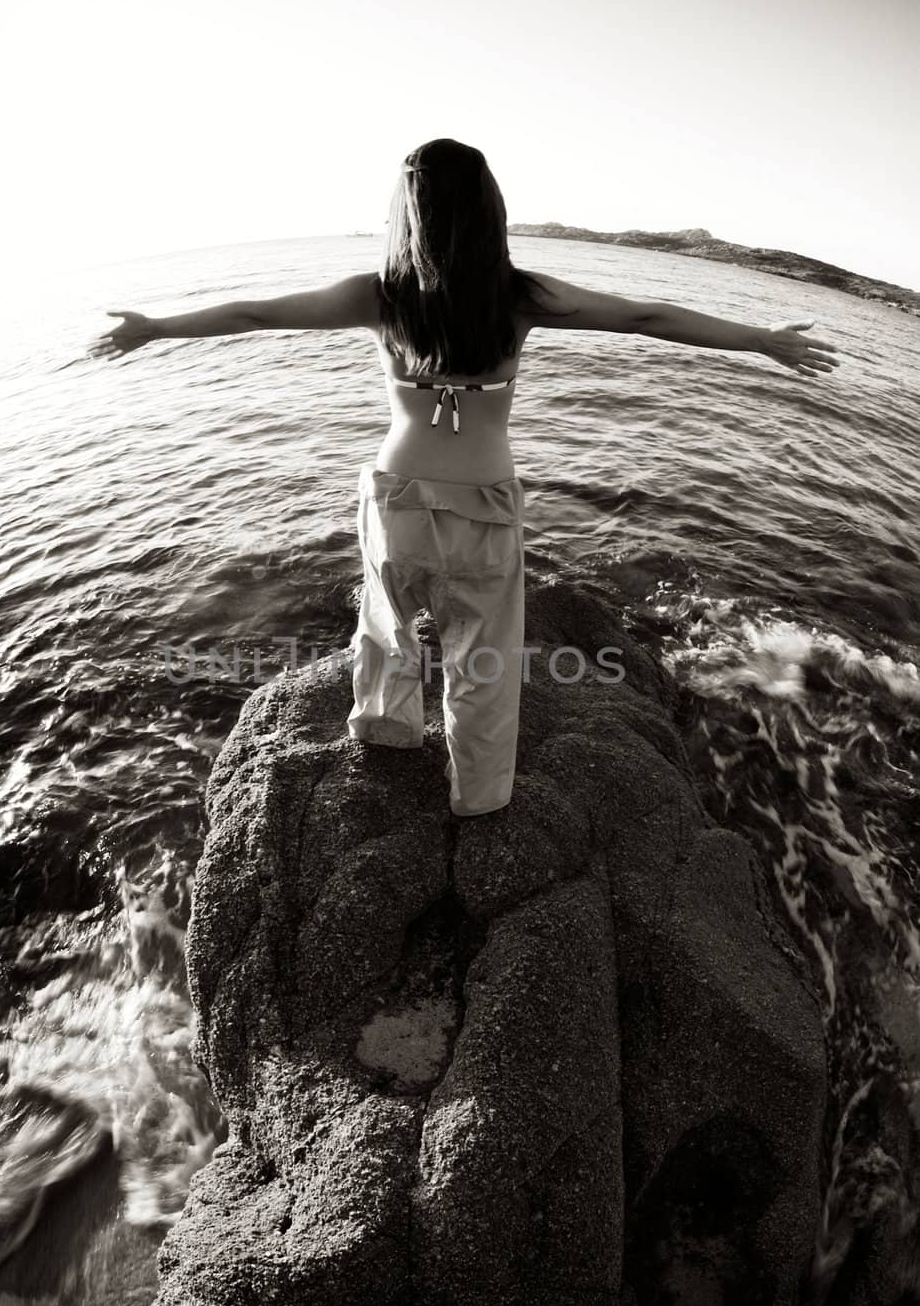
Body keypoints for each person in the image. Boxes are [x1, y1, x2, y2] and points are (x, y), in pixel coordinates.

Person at [91, 137, 839, 818]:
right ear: (490, 211)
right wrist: (759, 341)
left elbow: (256, 313)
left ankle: (385, 734)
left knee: (385, 627)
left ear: (404, 212)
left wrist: (156, 327)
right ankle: (478, 796)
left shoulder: (377, 295)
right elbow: (644, 317)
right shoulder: (517, 296)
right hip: (482, 501)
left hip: (395, 495)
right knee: (483, 656)